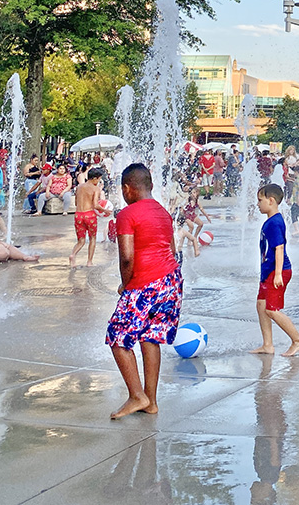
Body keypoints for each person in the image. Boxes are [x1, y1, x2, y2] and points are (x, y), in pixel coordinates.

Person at [106, 163, 183, 420]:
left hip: (145, 282)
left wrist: (126, 285)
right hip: (171, 280)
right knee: (150, 337)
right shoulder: (163, 213)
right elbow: (172, 250)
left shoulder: (127, 214)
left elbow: (127, 257)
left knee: (117, 336)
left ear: (128, 189)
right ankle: (151, 401)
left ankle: (136, 395)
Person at [251, 182, 299, 356]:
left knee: (271, 310)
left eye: (260, 200)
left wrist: (278, 274)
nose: (258, 204)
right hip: (269, 271)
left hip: (277, 272)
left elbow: (279, 248)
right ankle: (267, 345)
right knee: (261, 305)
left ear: (271, 200)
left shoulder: (274, 223)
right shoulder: (272, 220)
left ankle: (297, 340)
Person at [70, 166, 107, 267]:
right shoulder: (95, 189)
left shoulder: (79, 187)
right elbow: (95, 205)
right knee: (92, 238)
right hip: (89, 215)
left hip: (78, 215)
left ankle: (73, 255)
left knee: (81, 240)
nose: (99, 181)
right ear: (95, 178)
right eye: (99, 179)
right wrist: (105, 210)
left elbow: (76, 203)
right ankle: (89, 261)